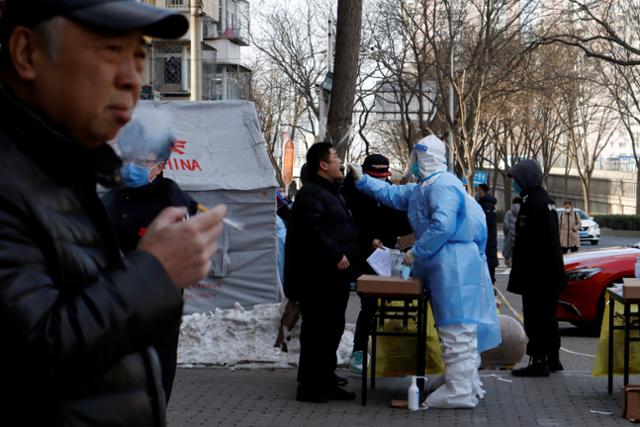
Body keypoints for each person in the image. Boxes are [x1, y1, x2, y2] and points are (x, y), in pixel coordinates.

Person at [0, 1, 227, 425]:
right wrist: (153, 272)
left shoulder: (61, 175)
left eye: (139, 55)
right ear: (27, 52)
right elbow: (33, 357)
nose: (132, 78)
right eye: (109, 50)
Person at [349, 135, 500, 409]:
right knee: (453, 326)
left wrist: (416, 252)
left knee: (458, 326)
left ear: (424, 157)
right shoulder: (426, 186)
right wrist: (363, 180)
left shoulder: (443, 185)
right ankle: (462, 381)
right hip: (446, 263)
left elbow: (443, 225)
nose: (413, 164)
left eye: (416, 159)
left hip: (454, 264)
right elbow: (394, 195)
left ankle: (461, 390)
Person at [101, 110, 199, 403]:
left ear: (159, 166)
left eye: (142, 161)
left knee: (154, 383)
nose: (133, 167)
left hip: (157, 308)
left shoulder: (173, 201)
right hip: (114, 307)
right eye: (129, 159)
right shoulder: (110, 199)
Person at [284, 142, 361, 403]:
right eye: (335, 157)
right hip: (318, 277)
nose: (340, 161)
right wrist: (336, 254)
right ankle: (309, 386)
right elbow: (311, 231)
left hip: (334, 278)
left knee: (332, 330)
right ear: (323, 165)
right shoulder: (311, 194)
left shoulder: (330, 192)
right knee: (317, 332)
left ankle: (326, 381)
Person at [342, 153, 411, 373]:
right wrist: (368, 239)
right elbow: (348, 226)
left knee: (394, 307)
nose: (380, 182)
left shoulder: (392, 192)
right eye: (375, 177)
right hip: (365, 259)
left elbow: (402, 222)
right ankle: (359, 352)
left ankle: (390, 353)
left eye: (383, 177)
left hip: (391, 257)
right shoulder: (350, 193)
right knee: (369, 306)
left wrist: (404, 241)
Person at [507, 160, 566, 377]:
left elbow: (529, 243)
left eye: (516, 179)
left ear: (526, 178)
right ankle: (553, 358)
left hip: (537, 274)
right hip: (548, 273)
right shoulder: (544, 200)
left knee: (536, 318)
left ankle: (539, 362)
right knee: (549, 317)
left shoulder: (532, 202)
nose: (514, 184)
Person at [475, 183, 498, 283]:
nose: (477, 192)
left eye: (478, 190)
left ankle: (491, 283)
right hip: (487, 238)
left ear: (482, 191)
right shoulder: (484, 203)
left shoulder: (487, 205)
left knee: (489, 261)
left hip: (488, 238)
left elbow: (489, 222)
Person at [502, 197, 522, 267]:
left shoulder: (509, 213)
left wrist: (507, 234)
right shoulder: (523, 212)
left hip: (510, 239)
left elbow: (505, 226)